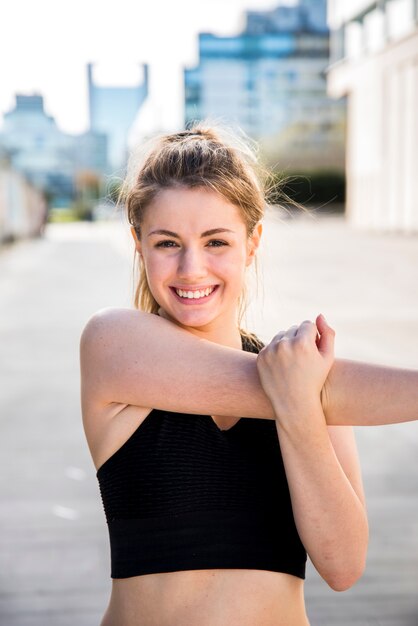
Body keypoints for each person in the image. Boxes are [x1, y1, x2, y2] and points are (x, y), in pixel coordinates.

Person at [80, 124, 369, 626]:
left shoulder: (304, 379)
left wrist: (300, 412)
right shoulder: (113, 345)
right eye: (167, 242)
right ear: (137, 243)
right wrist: (306, 395)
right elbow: (295, 389)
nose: (192, 268)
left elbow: (343, 567)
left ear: (252, 242)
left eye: (216, 241)